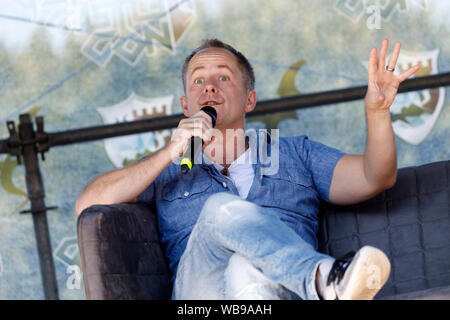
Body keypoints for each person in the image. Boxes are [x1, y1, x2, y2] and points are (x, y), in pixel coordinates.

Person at [75, 38, 419, 300]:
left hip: (279, 293)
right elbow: (89, 203)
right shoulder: (166, 168)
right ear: (185, 105)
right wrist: (170, 152)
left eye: (223, 78)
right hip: (200, 294)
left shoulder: (294, 152)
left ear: (249, 100)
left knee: (245, 267)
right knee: (218, 209)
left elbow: (376, 177)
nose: (209, 87)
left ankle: (316, 282)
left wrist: (377, 113)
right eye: (198, 81)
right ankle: (324, 279)